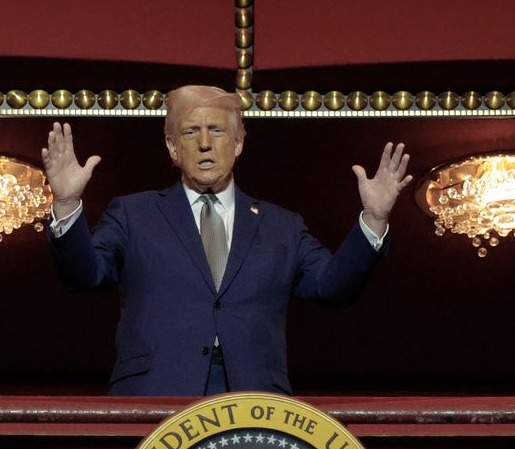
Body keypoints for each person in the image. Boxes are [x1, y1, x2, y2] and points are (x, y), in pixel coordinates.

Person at [43, 85, 411, 396]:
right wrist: (66, 203)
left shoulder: (281, 226)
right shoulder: (132, 214)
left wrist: (374, 219)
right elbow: (83, 275)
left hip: (254, 399)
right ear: (173, 148)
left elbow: (333, 287)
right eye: (190, 132)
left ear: (237, 144)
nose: (205, 143)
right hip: (159, 395)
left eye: (217, 131)